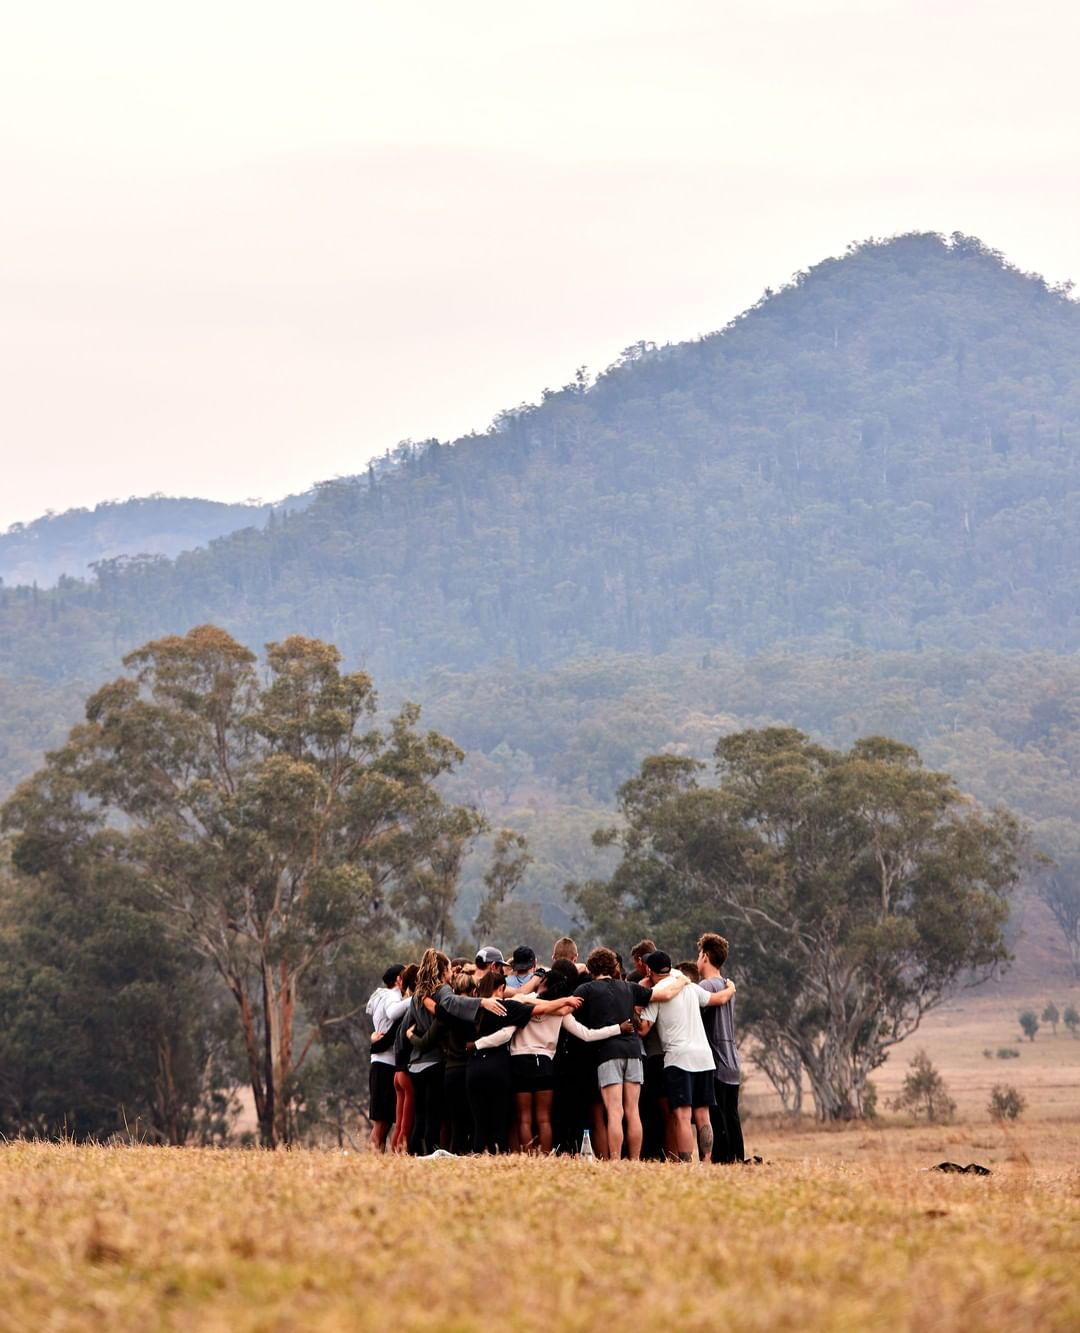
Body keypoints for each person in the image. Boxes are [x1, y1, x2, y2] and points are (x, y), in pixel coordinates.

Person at [474, 959, 616, 1153]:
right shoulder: (560, 1012)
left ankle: (529, 1157)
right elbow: (587, 1034)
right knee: (544, 1118)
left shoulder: (524, 1002)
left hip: (520, 1062)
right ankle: (546, 1156)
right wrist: (618, 1029)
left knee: (524, 1118)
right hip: (545, 1064)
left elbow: (517, 1004)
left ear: (544, 984)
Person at [637, 950, 735, 1162]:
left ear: (648, 970)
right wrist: (731, 988)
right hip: (704, 1058)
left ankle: (685, 1163)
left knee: (682, 1115)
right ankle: (707, 1160)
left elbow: (643, 1029)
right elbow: (718, 999)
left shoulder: (657, 992)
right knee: (703, 1115)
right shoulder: (690, 986)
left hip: (678, 1058)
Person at [571, 947, 655, 1161]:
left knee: (614, 1112)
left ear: (591, 968)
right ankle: (635, 1160)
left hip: (608, 1053)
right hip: (634, 1051)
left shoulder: (586, 989)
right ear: (614, 967)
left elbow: (568, 1008)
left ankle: (615, 1160)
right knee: (633, 1110)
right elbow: (658, 994)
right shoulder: (629, 987)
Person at [696, 932, 744, 1164]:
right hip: (732, 1060)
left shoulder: (706, 985)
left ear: (705, 956)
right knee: (732, 1116)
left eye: (699, 954)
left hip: (715, 1061)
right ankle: (737, 1158)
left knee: (717, 1116)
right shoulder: (727, 985)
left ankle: (722, 1161)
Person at [367, 963, 408, 1151]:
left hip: (381, 1062)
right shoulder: (392, 996)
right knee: (382, 1122)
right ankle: (375, 1158)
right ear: (398, 980)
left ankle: (377, 1157)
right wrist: (416, 998)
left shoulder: (383, 996)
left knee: (384, 1121)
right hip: (385, 1063)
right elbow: (392, 1014)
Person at [390, 963, 419, 1154]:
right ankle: (401, 1157)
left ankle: (394, 1155)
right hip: (407, 1073)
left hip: (397, 1072)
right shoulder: (414, 1005)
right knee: (407, 1125)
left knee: (400, 1123)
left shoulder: (403, 1006)